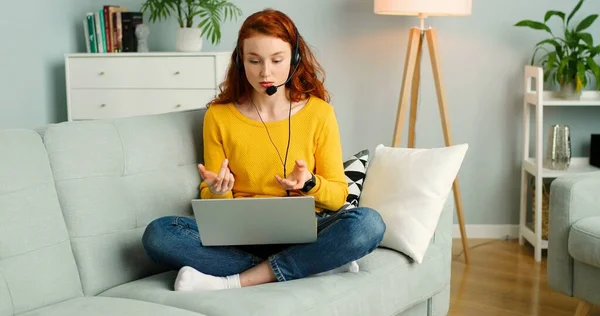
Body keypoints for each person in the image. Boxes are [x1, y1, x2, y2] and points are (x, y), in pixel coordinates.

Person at [141, 8, 386, 292]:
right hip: (239, 233)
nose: (265, 72)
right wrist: (219, 192)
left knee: (368, 224)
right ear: (240, 61)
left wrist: (309, 183)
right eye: (254, 61)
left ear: (294, 59)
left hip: (307, 229)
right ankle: (312, 264)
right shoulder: (219, 116)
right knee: (159, 234)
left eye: (276, 60)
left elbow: (338, 196)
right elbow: (211, 197)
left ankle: (236, 280)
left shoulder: (319, 114)